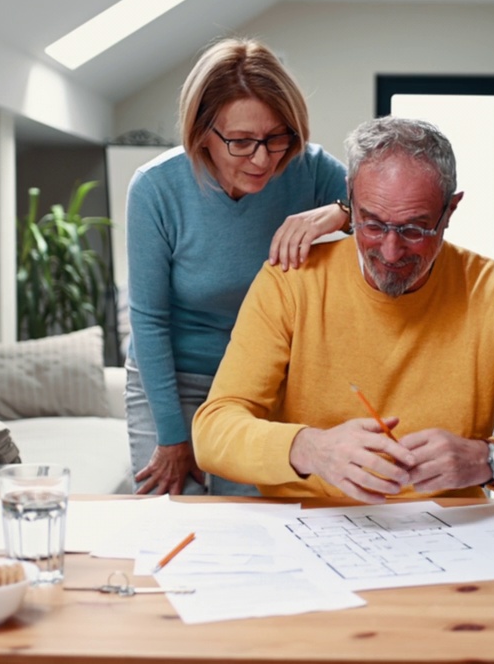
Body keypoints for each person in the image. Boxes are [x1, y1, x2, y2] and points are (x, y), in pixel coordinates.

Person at [191, 116, 494, 503]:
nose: (390, 251)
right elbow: (213, 432)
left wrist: (489, 460)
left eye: (413, 229)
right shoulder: (290, 282)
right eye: (371, 224)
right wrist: (309, 449)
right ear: (349, 201)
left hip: (455, 547)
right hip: (311, 532)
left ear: (450, 211)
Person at [125, 37, 350, 497]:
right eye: (242, 142)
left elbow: (386, 206)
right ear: (202, 131)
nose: (263, 158)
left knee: (256, 525)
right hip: (175, 381)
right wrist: (173, 437)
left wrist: (340, 211)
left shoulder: (307, 169)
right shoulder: (156, 189)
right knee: (174, 521)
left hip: (263, 382)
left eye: (275, 137)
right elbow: (148, 321)